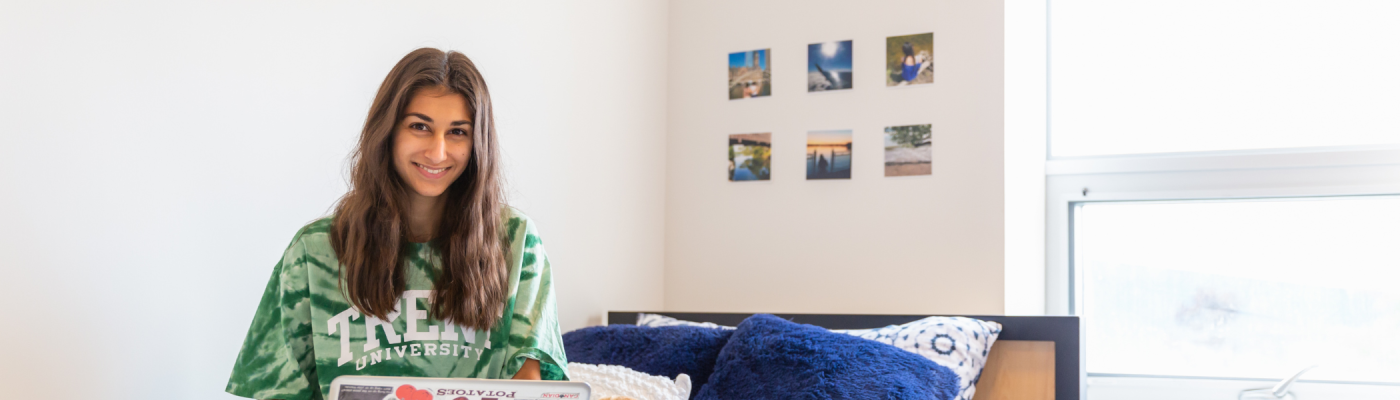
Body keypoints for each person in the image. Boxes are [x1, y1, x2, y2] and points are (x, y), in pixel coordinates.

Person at [226, 48, 568, 400]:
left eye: (457, 132)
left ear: (478, 143)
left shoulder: (515, 241)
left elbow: (529, 386)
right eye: (420, 126)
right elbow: (276, 391)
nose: (437, 152)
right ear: (387, 131)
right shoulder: (314, 251)